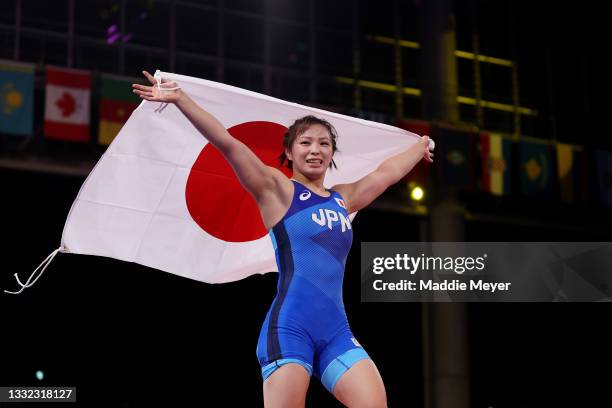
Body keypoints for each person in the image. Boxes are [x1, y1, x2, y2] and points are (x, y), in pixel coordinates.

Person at [133, 71, 433, 408]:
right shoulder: (277, 190)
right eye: (305, 142)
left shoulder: (342, 199)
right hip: (290, 330)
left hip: (336, 332)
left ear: (332, 152)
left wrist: (421, 145)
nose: (315, 150)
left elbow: (385, 174)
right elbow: (227, 143)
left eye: (324, 143)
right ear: (289, 152)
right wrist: (180, 99)